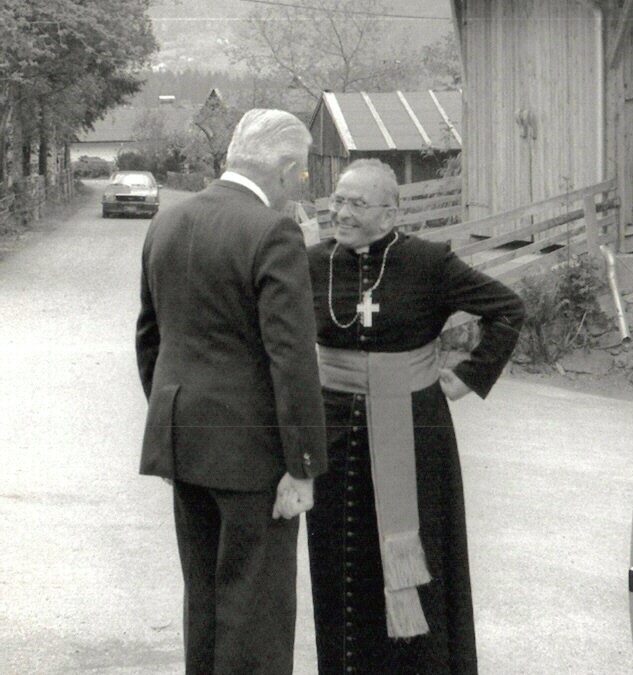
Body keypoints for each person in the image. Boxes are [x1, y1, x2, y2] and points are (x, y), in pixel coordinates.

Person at [305, 159, 526, 674]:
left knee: (423, 557)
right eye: (338, 199)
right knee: (341, 559)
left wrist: (469, 377)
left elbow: (507, 308)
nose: (342, 212)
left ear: (389, 213)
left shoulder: (429, 262)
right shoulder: (312, 262)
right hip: (334, 427)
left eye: (357, 204)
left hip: (414, 429)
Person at [135, 109, 327, 674]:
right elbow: (291, 358)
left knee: (206, 601)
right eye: (304, 172)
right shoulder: (272, 230)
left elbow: (150, 337)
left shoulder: (167, 222)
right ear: (286, 167)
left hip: (184, 443)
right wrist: (304, 463)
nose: (304, 185)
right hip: (254, 457)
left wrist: (174, 423)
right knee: (256, 613)